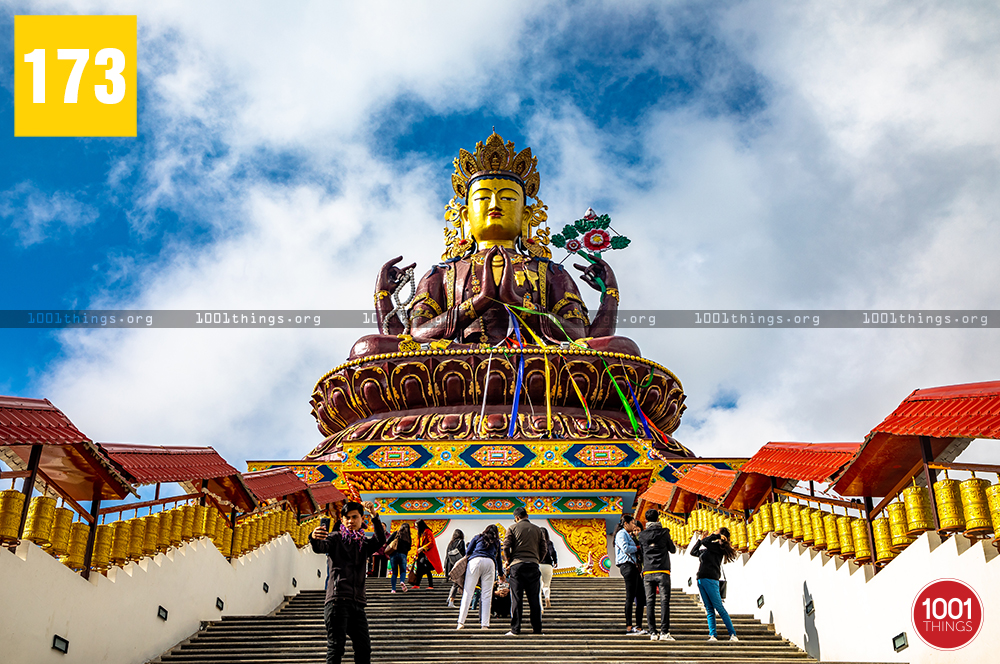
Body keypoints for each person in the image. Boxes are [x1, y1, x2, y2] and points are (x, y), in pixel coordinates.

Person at [351, 131, 639, 360]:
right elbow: (412, 338)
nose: (494, 205)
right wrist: (384, 298)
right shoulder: (442, 274)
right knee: (369, 348)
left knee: (622, 348)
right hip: (460, 362)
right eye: (482, 198)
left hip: (540, 362)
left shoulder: (550, 272)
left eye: (508, 198)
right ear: (465, 215)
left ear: (526, 214)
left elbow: (582, 339)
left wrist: (609, 296)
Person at [310, 500, 386, 664]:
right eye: (347, 518)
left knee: (364, 648)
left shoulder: (363, 543)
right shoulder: (335, 538)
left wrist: (374, 514)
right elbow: (320, 547)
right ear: (342, 520)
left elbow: (380, 539)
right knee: (336, 647)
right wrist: (314, 537)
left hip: (357, 603)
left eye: (354, 517)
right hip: (337, 601)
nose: (351, 521)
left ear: (361, 519)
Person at [691, 528, 740, 642]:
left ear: (721, 536)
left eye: (716, 531)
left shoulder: (717, 549)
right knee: (709, 609)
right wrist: (700, 540)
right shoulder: (708, 550)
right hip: (701, 580)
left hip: (711, 580)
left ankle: (733, 634)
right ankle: (712, 634)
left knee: (719, 607)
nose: (713, 532)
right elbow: (693, 552)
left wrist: (714, 537)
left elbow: (706, 542)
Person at [503, 506, 545, 636]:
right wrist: (537, 559)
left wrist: (508, 560)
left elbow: (506, 546)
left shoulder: (512, 528)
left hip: (517, 566)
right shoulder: (538, 529)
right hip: (533, 565)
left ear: (516, 517)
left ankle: (515, 629)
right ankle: (537, 630)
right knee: (534, 600)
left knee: (517, 599)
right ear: (527, 516)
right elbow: (544, 549)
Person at [635, 508, 675, 641]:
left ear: (646, 520)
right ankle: (664, 632)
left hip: (648, 571)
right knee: (664, 601)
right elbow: (673, 549)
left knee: (650, 602)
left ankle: (653, 632)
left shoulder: (642, 535)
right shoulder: (664, 532)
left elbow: (641, 553)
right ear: (658, 519)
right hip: (662, 570)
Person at [457, 524, 504, 629]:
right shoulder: (496, 542)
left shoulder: (477, 537)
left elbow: (468, 551)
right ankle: (485, 624)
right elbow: (499, 559)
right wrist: (500, 574)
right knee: (486, 595)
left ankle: (461, 622)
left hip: (475, 561)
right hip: (490, 563)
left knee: (468, 592)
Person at [614, 514, 646, 635]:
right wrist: (638, 547)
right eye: (632, 523)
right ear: (626, 523)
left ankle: (638, 626)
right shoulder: (622, 534)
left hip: (633, 566)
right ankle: (629, 626)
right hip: (627, 565)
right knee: (630, 596)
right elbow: (626, 548)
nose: (634, 525)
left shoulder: (628, 535)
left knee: (639, 596)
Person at [413, 519, 443, 589]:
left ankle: (430, 585)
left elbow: (431, 542)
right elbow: (418, 546)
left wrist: (423, 548)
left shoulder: (428, 532)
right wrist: (416, 554)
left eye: (417, 527)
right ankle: (417, 584)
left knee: (426, 568)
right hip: (421, 553)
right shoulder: (419, 533)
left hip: (427, 554)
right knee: (420, 568)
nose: (416, 528)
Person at [385, 523, 411, 593]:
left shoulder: (396, 533)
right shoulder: (408, 536)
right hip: (403, 555)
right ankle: (402, 581)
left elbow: (388, 541)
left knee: (394, 573)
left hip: (393, 555)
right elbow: (409, 547)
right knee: (403, 571)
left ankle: (393, 589)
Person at [444, 529, 467, 607]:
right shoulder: (461, 542)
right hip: (457, 565)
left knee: (455, 583)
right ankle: (451, 600)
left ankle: (449, 598)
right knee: (456, 583)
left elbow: (447, 556)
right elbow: (463, 554)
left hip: (450, 564)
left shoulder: (450, 543)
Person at [538, 527, 557, 610]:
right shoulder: (549, 542)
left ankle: (540, 606)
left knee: (538, 585)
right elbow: (552, 552)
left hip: (538, 564)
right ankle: (547, 598)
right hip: (548, 565)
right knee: (546, 584)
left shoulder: (536, 543)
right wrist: (555, 561)